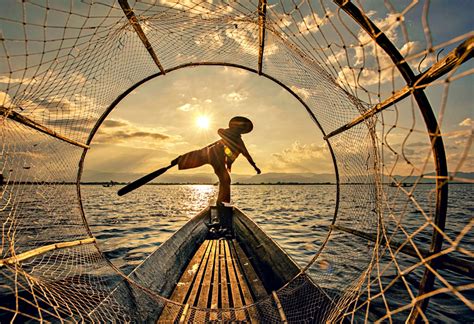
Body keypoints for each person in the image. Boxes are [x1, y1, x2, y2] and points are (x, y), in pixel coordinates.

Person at [170, 116, 261, 205]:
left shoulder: (238, 140)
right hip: (212, 153)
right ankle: (180, 159)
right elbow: (220, 131)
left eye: (242, 128)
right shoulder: (227, 133)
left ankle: (221, 202)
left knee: (225, 180)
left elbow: (246, 154)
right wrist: (228, 141)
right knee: (198, 155)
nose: (240, 129)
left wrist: (255, 167)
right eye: (240, 126)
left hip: (219, 159)